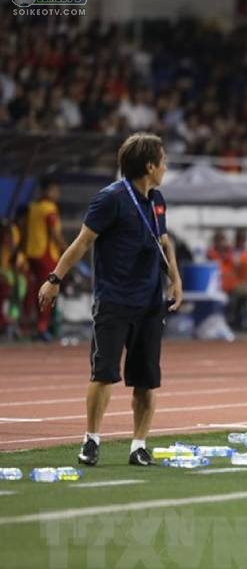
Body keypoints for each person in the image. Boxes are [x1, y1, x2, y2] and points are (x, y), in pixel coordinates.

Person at [38, 132, 183, 467]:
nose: (165, 166)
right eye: (162, 160)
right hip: (114, 301)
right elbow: (82, 242)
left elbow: (164, 242)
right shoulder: (110, 198)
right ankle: (91, 440)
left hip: (149, 303)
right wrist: (54, 278)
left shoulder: (157, 199)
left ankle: (138, 445)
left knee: (146, 379)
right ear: (149, 165)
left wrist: (175, 279)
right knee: (103, 373)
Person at [23, 176, 65, 340]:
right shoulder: (49, 208)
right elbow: (54, 233)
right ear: (49, 190)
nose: (58, 193)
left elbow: (25, 230)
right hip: (46, 254)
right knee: (48, 291)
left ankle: (33, 325)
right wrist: (67, 249)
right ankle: (42, 327)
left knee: (33, 291)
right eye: (55, 190)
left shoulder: (32, 207)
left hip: (31, 254)